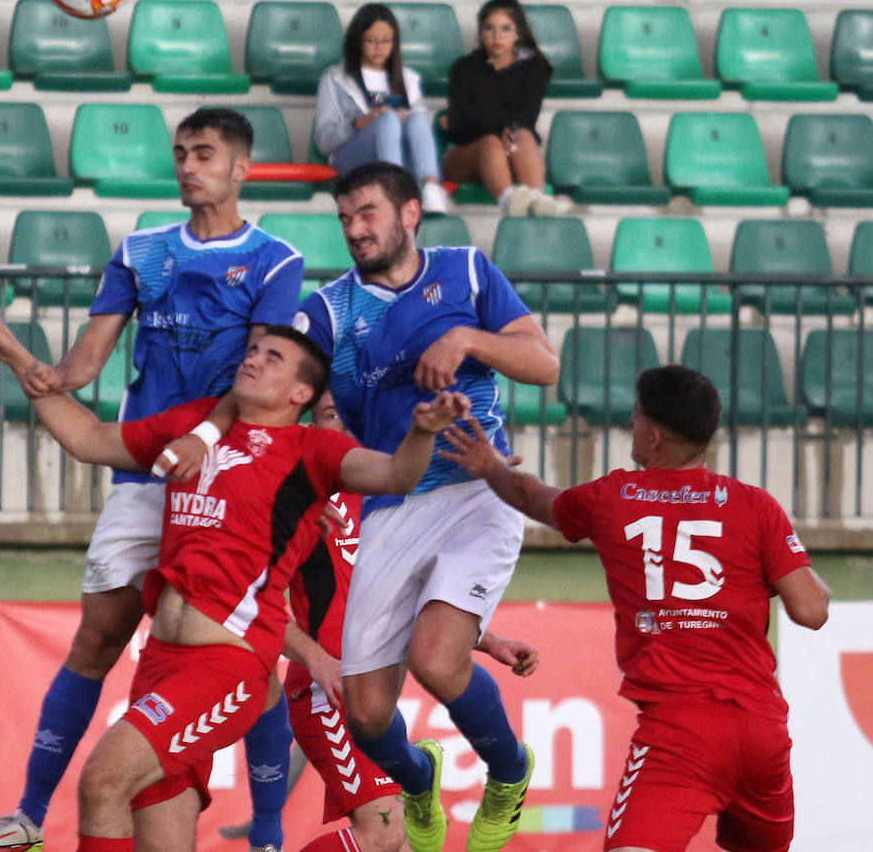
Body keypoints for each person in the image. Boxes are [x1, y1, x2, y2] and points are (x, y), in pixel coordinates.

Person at [0, 311, 471, 852]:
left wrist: (422, 430)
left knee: (102, 780)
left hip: (226, 668)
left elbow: (396, 475)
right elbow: (87, 438)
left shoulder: (311, 451)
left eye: (272, 357)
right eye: (254, 352)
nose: (253, 358)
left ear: (302, 390)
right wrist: (15, 355)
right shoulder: (196, 427)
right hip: (159, 663)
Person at [0, 107, 304, 852]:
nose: (188, 164)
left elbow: (258, 371)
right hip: (146, 472)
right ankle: (27, 813)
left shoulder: (276, 260)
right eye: (181, 152)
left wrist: (207, 436)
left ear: (242, 167)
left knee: (254, 654)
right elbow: (85, 366)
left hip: (225, 481)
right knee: (98, 638)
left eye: (205, 153)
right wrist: (22, 356)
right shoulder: (142, 250)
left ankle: (270, 833)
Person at [439, 365, 830, 852]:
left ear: (656, 436)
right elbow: (812, 611)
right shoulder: (756, 506)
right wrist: (777, 566)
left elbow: (532, 497)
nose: (631, 421)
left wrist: (489, 463)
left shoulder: (616, 497)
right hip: (760, 730)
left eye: (637, 415)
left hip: (680, 732)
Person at [293, 161, 559, 852]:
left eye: (369, 213)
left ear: (411, 213)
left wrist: (468, 338)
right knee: (368, 713)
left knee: (438, 662)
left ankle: (509, 770)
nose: (356, 230)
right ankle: (419, 779)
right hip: (390, 505)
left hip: (478, 488)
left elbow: (544, 363)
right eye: (346, 218)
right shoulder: (327, 313)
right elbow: (290, 404)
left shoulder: (466, 271)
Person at [279, 390, 539, 852]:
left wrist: (485, 638)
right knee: (382, 835)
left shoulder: (390, 505)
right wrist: (316, 660)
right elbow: (254, 605)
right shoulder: (301, 503)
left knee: (398, 844)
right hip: (325, 690)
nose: (344, 426)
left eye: (351, 413)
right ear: (312, 428)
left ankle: (425, 772)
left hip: (369, 684)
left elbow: (418, 597)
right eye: (330, 415)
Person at [316, 4, 451, 215]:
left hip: (401, 157)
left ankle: (431, 186)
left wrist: (402, 120)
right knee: (387, 119)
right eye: (371, 40)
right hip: (353, 156)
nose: (379, 47)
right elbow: (324, 141)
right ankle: (393, 190)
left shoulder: (408, 78)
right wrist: (359, 122)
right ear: (358, 40)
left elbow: (419, 134)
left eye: (386, 41)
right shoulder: (335, 78)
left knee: (417, 118)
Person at [441, 0, 555, 217]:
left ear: (517, 33)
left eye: (505, 28)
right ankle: (508, 201)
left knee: (522, 136)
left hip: (513, 151)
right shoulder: (464, 68)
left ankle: (536, 200)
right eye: (489, 28)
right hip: (466, 155)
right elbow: (459, 123)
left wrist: (483, 118)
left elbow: (526, 118)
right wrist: (500, 124)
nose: (496, 36)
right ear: (481, 32)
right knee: (492, 142)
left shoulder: (534, 69)